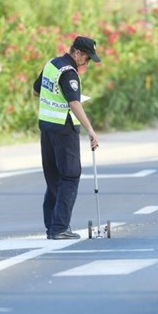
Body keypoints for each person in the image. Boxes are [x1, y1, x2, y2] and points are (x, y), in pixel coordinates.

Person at [33, 36, 100, 240]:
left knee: (54, 177)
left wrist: (55, 100)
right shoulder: (68, 72)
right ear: (77, 53)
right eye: (87, 58)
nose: (86, 63)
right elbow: (74, 103)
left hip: (47, 127)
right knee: (70, 176)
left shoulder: (52, 64)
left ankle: (51, 226)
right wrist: (90, 130)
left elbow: (37, 91)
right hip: (64, 129)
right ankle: (60, 227)